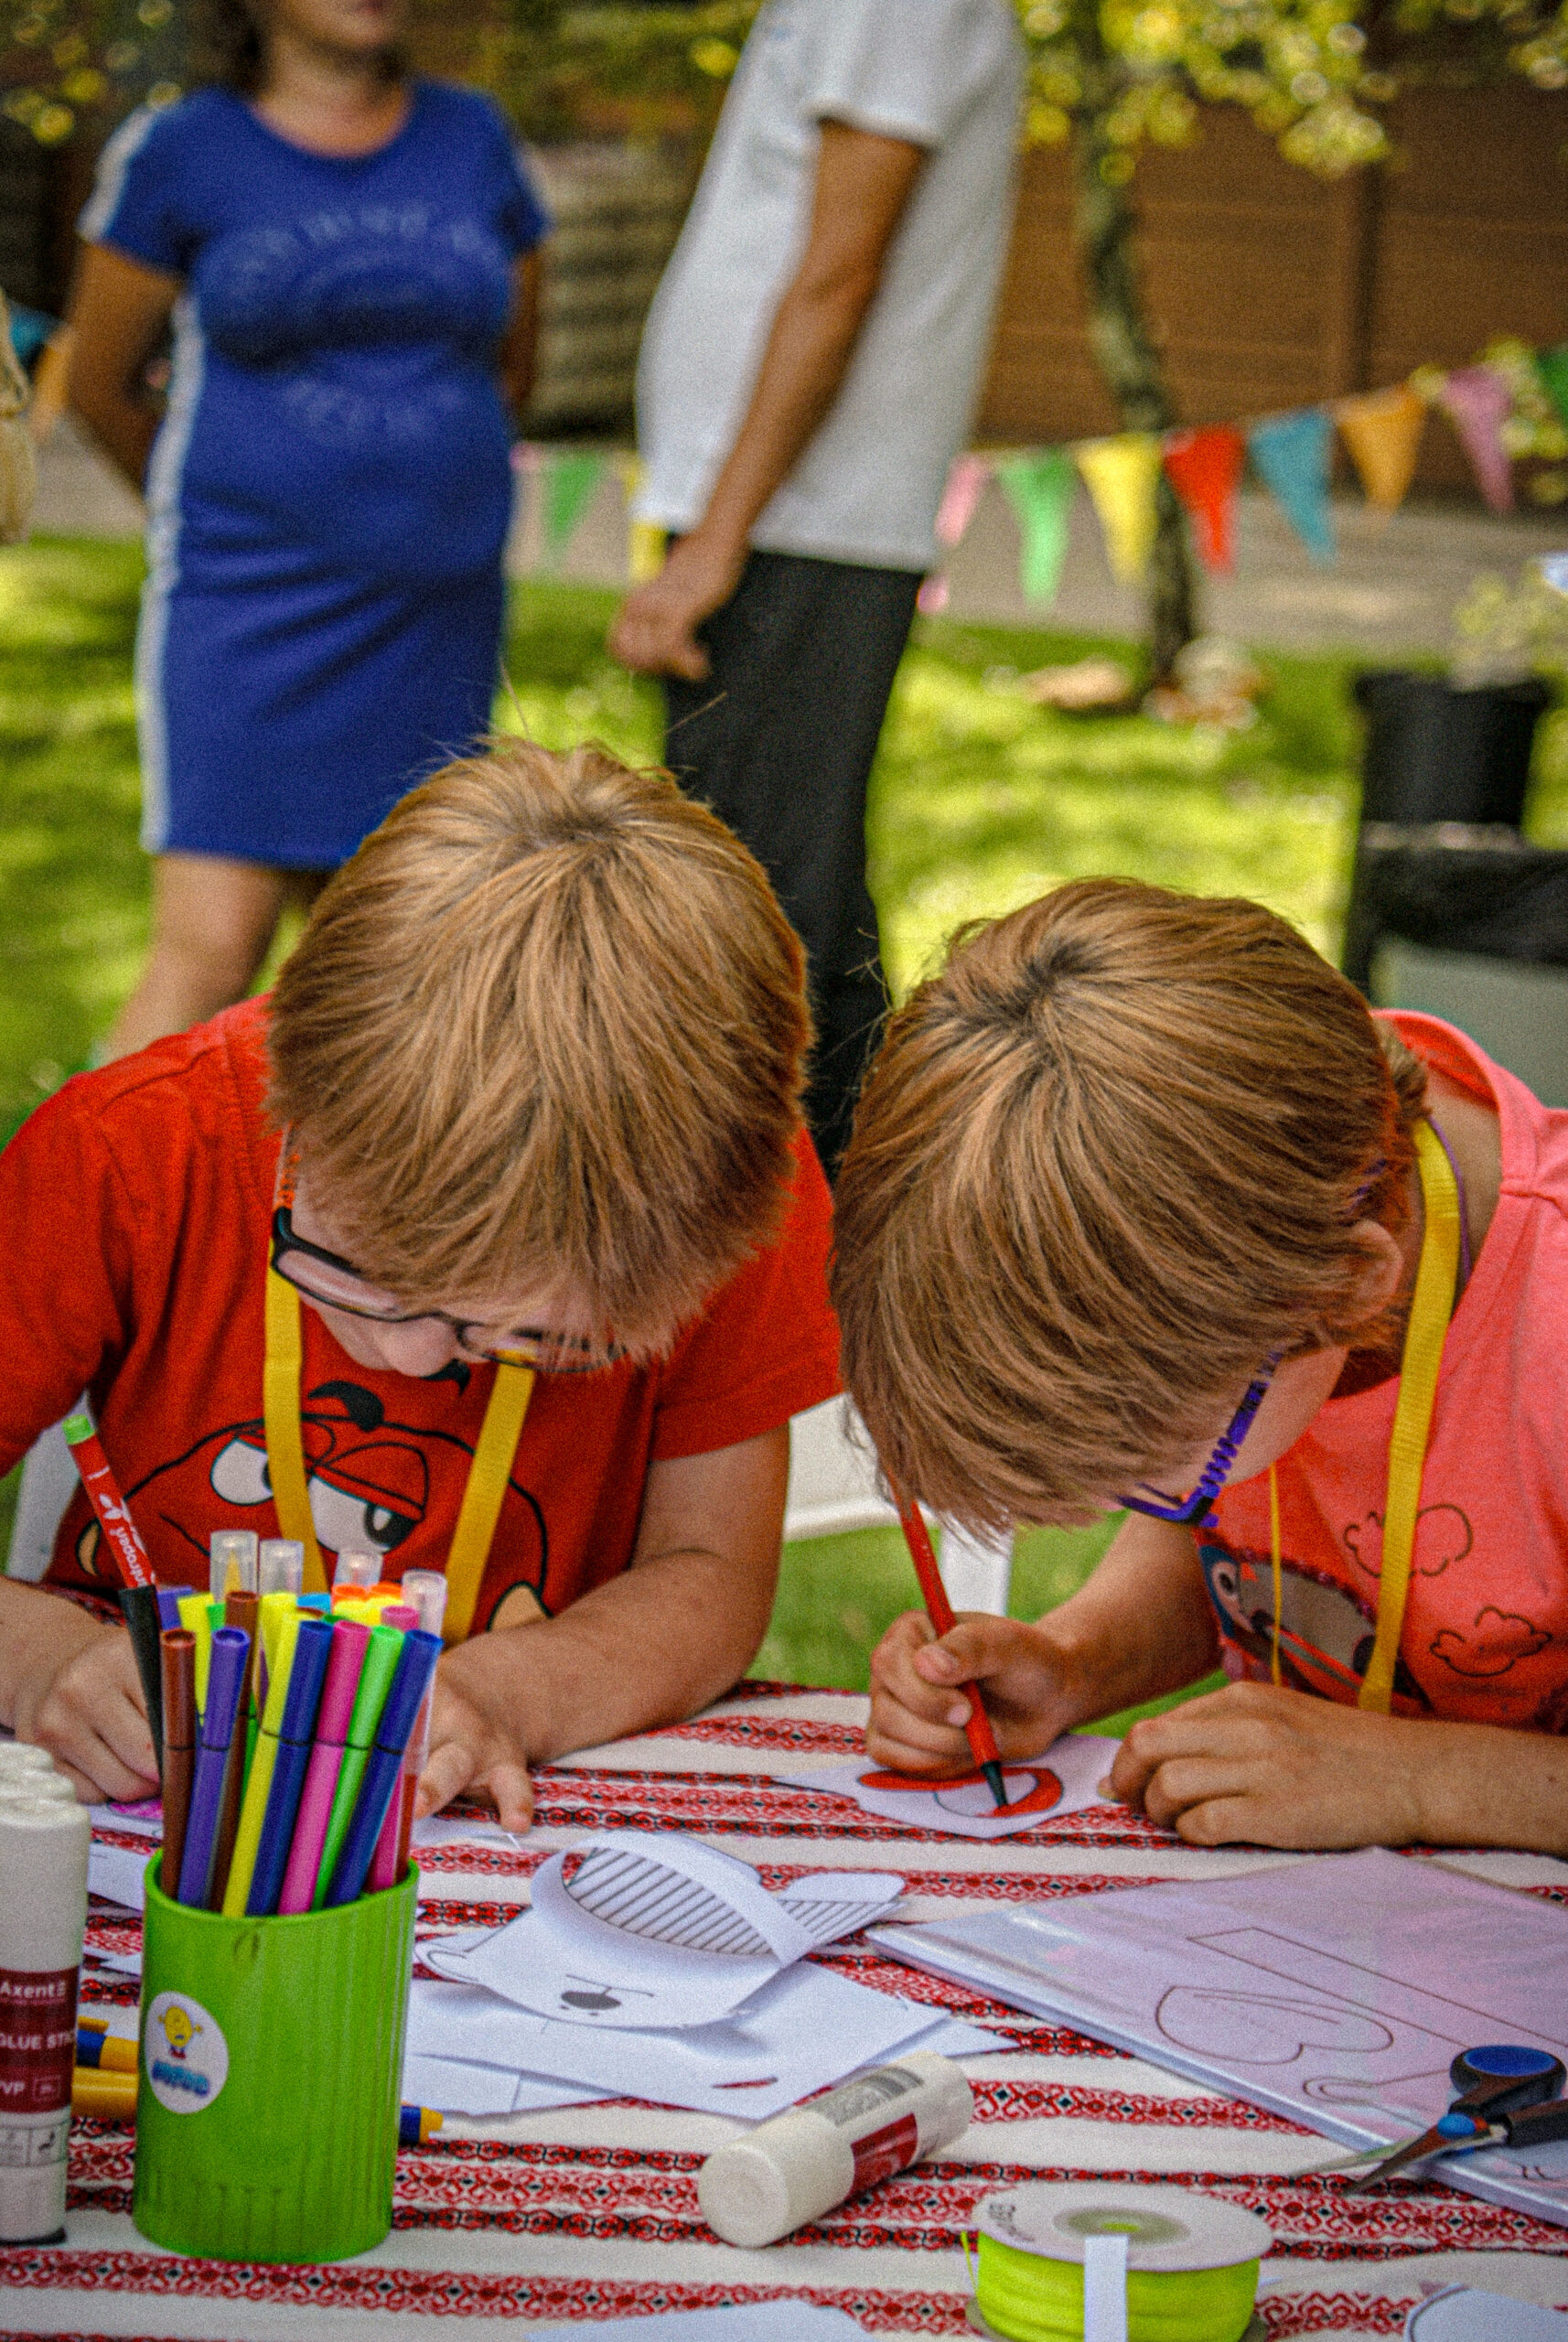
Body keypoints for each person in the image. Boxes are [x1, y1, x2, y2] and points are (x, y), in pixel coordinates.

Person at [0, 741, 841, 1825]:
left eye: (543, 1341)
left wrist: (505, 1693)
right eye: (357, 1275)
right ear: (294, 1096)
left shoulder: (707, 1196)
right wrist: (43, 1657)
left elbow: (710, 1569)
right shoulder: (133, 1152)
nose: (406, 1357)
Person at [832, 879, 1568, 1856]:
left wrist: (1425, 1777)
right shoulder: (1272, 1191)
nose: (1153, 1501)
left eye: (1153, 1469)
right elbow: (1232, 1533)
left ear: (1353, 1283)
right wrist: (1076, 1659)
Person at [67, 0, 547, 1060]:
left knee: (398, 970)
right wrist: (250, 513)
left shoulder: (472, 135)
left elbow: (512, 366)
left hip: (435, 621)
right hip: (251, 610)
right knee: (210, 953)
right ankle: (70, 1219)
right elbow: (96, 386)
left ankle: (312, 1224)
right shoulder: (185, 149)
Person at [608, 0, 1022, 1179]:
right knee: (797, 913)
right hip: (777, 516)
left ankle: (791, 1280)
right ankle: (862, 1247)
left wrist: (716, 540)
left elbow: (839, 274)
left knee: (755, 925)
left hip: (800, 522)